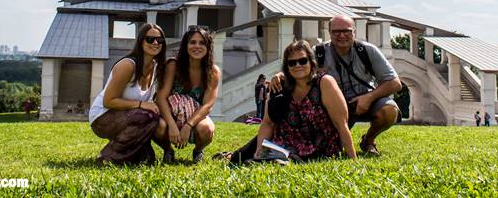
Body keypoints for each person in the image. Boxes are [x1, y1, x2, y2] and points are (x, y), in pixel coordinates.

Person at [271, 14, 402, 156]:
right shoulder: (319, 52)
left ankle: (368, 141)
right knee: (333, 149)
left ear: (354, 32)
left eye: (346, 31)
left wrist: (369, 98)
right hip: (334, 106)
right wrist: (279, 75)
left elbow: (395, 83)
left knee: (389, 111)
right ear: (330, 32)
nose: (342, 35)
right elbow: (300, 65)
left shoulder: (367, 50)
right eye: (336, 32)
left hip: (365, 100)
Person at [223, 40, 357, 163]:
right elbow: (268, 123)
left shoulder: (324, 83)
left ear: (311, 62)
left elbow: (341, 124)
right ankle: (233, 156)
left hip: (318, 147)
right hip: (283, 142)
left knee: (276, 162)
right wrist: (259, 150)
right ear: (286, 67)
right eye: (292, 63)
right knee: (238, 158)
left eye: (303, 61)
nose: (297, 65)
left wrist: (353, 160)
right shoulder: (280, 86)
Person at [89, 23, 167, 165]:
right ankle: (108, 156)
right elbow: (109, 101)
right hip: (102, 117)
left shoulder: (155, 67)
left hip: (128, 117)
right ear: (141, 41)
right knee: (147, 115)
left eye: (160, 40)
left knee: (148, 160)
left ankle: (130, 153)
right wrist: (141, 104)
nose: (156, 43)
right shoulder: (128, 65)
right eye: (150, 39)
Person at [156, 26, 220, 164]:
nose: (197, 46)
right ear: (185, 45)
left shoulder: (213, 72)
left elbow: (208, 105)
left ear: (208, 47)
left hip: (195, 118)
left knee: (207, 129)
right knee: (157, 125)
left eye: (202, 43)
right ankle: (168, 150)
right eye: (192, 42)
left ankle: (198, 151)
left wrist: (188, 125)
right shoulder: (173, 65)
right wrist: (172, 125)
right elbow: (161, 97)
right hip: (170, 116)